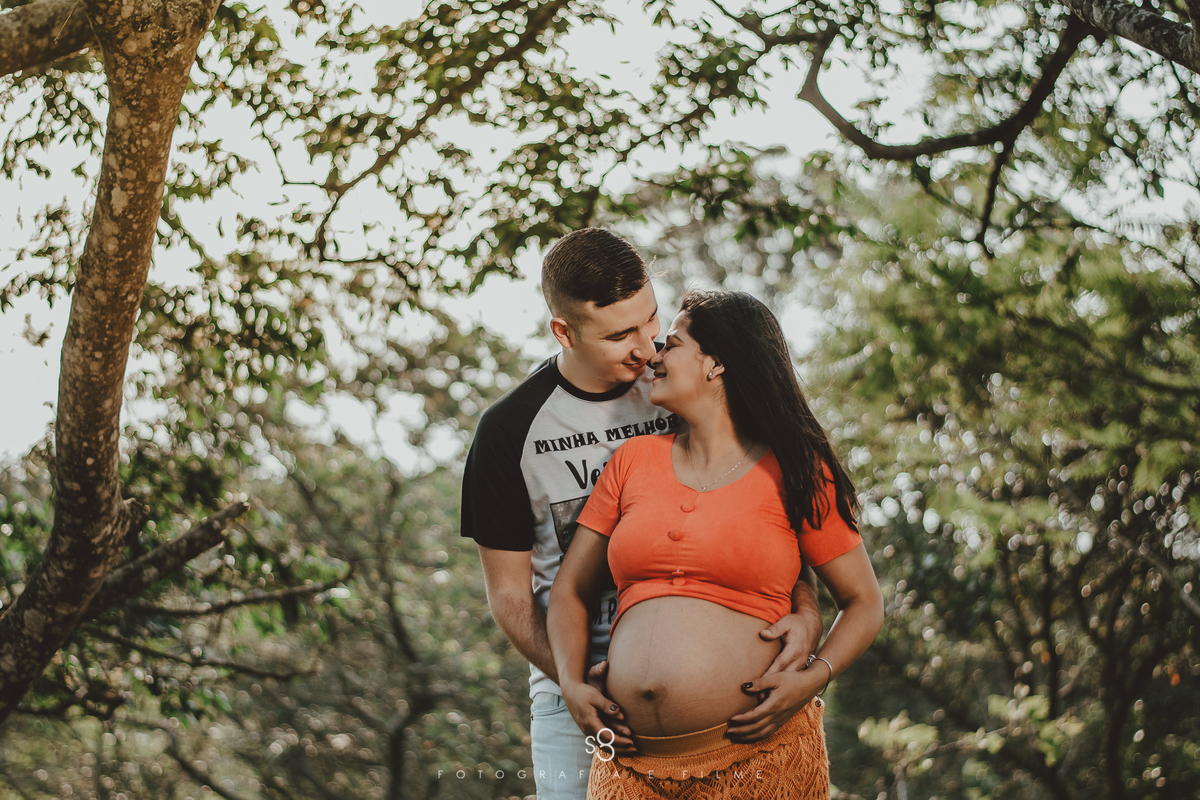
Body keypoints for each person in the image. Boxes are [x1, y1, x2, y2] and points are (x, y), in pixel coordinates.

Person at [460, 231, 827, 800]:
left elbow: (765, 516)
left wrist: (805, 609)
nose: (645, 347)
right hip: (574, 697)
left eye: (651, 321)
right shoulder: (510, 432)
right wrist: (576, 681)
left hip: (723, 699)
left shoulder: (680, 385)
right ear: (563, 331)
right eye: (618, 335)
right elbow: (509, 596)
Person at [547, 289, 885, 799]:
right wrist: (571, 685)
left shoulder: (797, 470)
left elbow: (864, 603)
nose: (655, 355)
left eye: (674, 344)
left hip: (758, 760)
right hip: (629, 769)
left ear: (716, 363)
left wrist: (814, 677)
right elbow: (569, 589)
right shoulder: (633, 460)